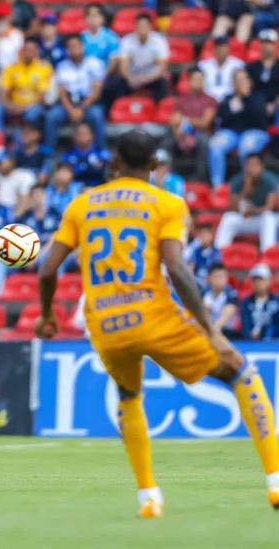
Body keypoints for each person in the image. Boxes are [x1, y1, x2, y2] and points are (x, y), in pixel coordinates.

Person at [35, 129, 279, 518]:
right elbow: (178, 269)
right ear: (154, 165)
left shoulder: (82, 205)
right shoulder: (166, 203)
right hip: (154, 316)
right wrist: (210, 328)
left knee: (129, 395)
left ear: (114, 164)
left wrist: (47, 316)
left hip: (107, 325)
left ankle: (149, 496)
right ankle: (275, 480)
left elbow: (47, 270)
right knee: (239, 370)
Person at [209, 69, 270, 187]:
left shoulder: (258, 97)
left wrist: (246, 98)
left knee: (245, 147)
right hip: (231, 133)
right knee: (215, 145)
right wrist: (237, 102)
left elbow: (259, 117)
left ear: (249, 82)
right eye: (237, 80)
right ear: (233, 83)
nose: (241, 83)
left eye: (243, 79)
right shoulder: (228, 99)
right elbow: (223, 118)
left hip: (255, 133)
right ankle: (217, 186)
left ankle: (247, 184)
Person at [45, 34, 106, 151]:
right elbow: (61, 93)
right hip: (68, 104)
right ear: (67, 50)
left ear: (82, 47)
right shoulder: (62, 66)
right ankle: (49, 154)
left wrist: (81, 109)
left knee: (97, 115)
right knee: (52, 116)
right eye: (70, 47)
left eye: (76, 46)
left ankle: (101, 152)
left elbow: (96, 92)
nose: (73, 49)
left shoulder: (94, 64)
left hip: (88, 104)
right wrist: (71, 110)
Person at [161, 68, 216, 182]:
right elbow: (175, 121)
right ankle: (167, 178)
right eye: (195, 79)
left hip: (201, 134)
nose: (198, 82)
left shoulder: (210, 100)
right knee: (167, 142)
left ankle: (200, 179)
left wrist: (185, 120)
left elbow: (205, 123)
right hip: (182, 133)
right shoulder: (181, 100)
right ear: (189, 81)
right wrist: (178, 134)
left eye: (201, 79)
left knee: (204, 142)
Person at [215, 154, 278, 252]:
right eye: (249, 165)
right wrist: (245, 190)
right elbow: (232, 208)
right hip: (244, 218)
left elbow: (270, 207)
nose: (252, 168)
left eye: (255, 165)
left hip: (260, 219)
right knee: (228, 217)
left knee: (269, 218)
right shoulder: (238, 180)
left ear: (262, 167)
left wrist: (254, 210)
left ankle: (267, 256)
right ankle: (217, 256)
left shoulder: (269, 180)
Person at [111, 13, 168, 106]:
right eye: (140, 25)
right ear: (135, 27)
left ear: (150, 26)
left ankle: (156, 110)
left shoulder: (159, 41)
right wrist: (130, 78)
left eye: (145, 25)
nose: (142, 28)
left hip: (151, 77)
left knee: (162, 84)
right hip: (132, 76)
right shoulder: (127, 40)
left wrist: (144, 80)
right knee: (116, 83)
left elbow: (162, 69)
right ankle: (122, 108)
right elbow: (123, 67)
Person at [0, 36, 53, 127]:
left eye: (32, 50)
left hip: (34, 106)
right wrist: (9, 105)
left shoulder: (44, 68)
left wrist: (24, 108)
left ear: (37, 52)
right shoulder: (11, 68)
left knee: (32, 113)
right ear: (22, 51)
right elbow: (3, 93)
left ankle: (24, 138)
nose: (29, 52)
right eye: (27, 49)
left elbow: (41, 95)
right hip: (14, 105)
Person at [61, 122, 109, 188]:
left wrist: (79, 168)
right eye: (80, 134)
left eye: (85, 133)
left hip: (98, 188)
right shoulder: (68, 154)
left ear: (92, 135)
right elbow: (66, 173)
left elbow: (104, 172)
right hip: (75, 190)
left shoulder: (101, 152)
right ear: (75, 137)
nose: (83, 136)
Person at [198, 35, 245, 103]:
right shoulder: (203, 66)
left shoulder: (238, 65)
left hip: (230, 101)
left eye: (223, 47)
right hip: (207, 102)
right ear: (214, 49)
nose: (221, 50)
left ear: (228, 48)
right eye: (218, 47)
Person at [246, 28, 279, 125]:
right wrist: (259, 105)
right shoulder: (251, 67)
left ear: (275, 44)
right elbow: (248, 89)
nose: (266, 46)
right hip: (256, 105)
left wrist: (274, 105)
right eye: (263, 42)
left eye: (269, 43)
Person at [241, 263, 279, 340]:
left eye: (261, 280)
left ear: (269, 281)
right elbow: (245, 324)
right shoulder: (246, 302)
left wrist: (265, 332)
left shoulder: (277, 301)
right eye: (254, 280)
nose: (257, 283)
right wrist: (250, 334)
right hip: (251, 343)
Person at [0, 148, 34, 216]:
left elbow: (24, 204)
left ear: (12, 161)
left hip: (16, 215)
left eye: (0, 162)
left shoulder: (23, 176)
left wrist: (11, 220)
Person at [203, 262, 239, 339]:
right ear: (210, 278)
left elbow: (230, 309)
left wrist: (216, 328)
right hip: (207, 328)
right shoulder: (204, 293)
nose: (220, 280)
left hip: (227, 331)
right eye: (217, 276)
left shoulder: (231, 293)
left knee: (229, 308)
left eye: (222, 276)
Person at [81, 4, 120, 75]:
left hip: (104, 75)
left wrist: (102, 78)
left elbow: (113, 62)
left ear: (102, 18)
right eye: (90, 16)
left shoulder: (111, 37)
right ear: (85, 19)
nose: (93, 19)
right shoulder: (80, 37)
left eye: (96, 15)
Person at [185, 221, 222, 288]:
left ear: (211, 236)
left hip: (210, 283)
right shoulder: (195, 251)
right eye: (201, 235)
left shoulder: (216, 253)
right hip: (196, 282)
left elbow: (217, 271)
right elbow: (190, 267)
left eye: (206, 234)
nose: (203, 237)